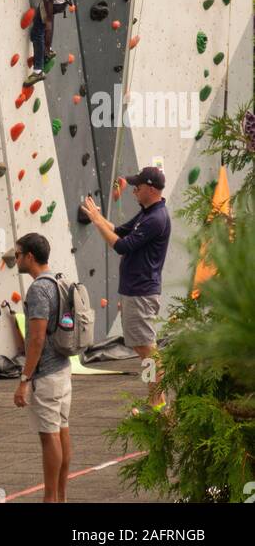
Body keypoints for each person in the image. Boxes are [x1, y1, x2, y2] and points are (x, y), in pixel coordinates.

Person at [82, 168, 171, 405]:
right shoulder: (148, 213)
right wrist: (98, 219)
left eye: (138, 187)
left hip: (141, 292)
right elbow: (119, 231)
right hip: (136, 291)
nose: (134, 191)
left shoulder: (155, 218)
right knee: (145, 350)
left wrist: (96, 222)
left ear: (151, 189)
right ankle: (157, 401)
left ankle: (157, 402)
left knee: (147, 352)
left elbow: (121, 246)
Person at [13, 233, 72, 503]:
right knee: (62, 430)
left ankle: (49, 499)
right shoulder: (60, 279)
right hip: (63, 367)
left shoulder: (38, 289)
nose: (15, 260)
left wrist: (25, 379)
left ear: (30, 257)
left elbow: (35, 338)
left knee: (49, 438)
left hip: (46, 373)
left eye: (17, 255)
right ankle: (60, 496)